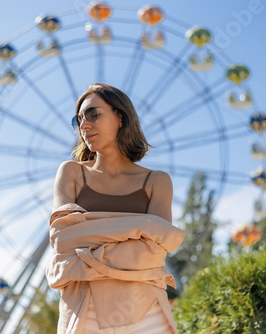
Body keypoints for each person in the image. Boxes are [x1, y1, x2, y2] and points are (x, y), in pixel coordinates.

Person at [52, 83, 176, 333]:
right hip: (85, 309)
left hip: (147, 313)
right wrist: (140, 227)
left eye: (93, 114)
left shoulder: (157, 181)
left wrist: (87, 250)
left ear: (120, 117)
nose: (84, 125)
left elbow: (155, 253)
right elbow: (63, 240)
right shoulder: (71, 172)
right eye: (78, 120)